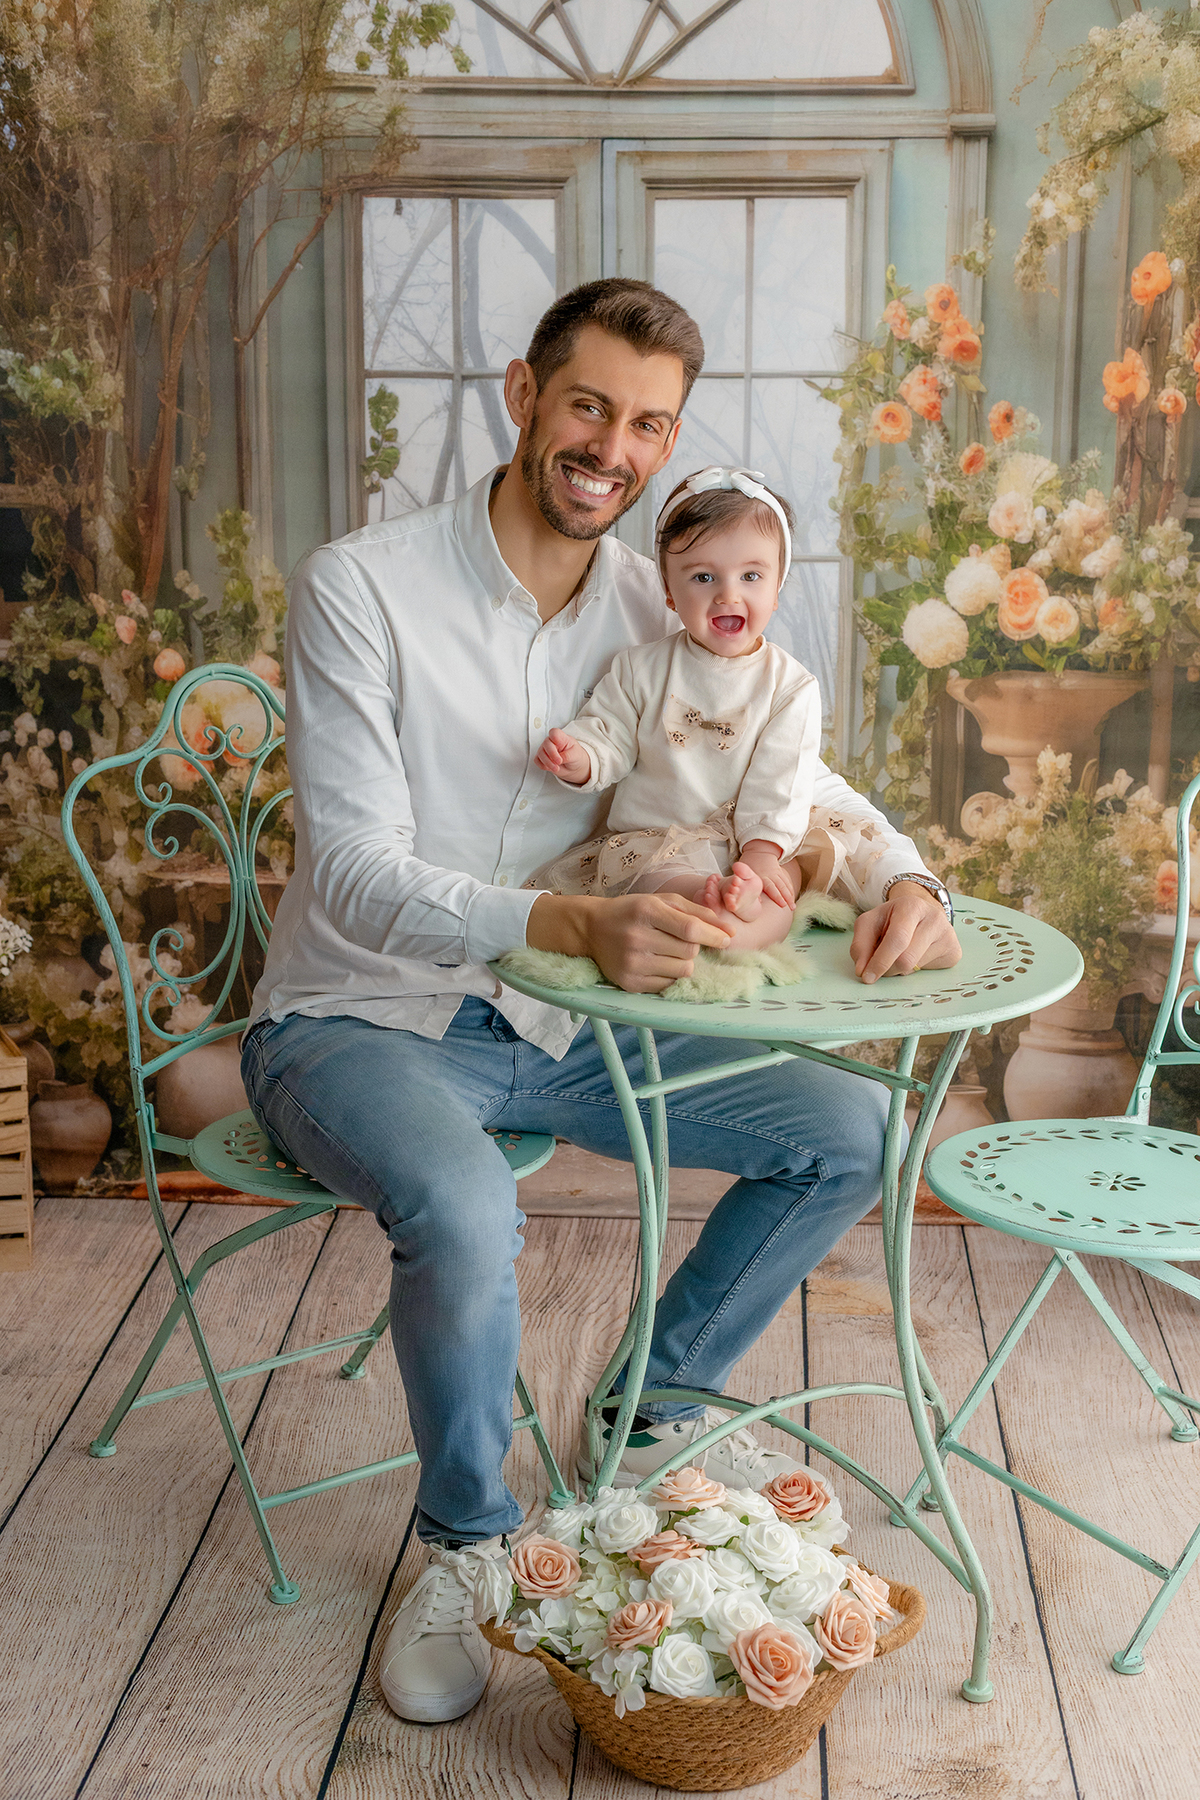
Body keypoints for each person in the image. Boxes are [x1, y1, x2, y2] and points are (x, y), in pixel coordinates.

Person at [240, 277, 960, 1727]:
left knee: (847, 1133)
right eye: (588, 407)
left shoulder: (662, 597)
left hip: (572, 1024)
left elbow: (795, 769)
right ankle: (465, 1544)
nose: (612, 449)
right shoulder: (359, 584)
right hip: (360, 1019)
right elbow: (363, 871)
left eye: (650, 425)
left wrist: (905, 871)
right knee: (463, 1210)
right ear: (523, 395)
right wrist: (562, 916)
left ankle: (648, 1409)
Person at [532, 464, 826, 948]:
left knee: (779, 895)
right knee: (655, 881)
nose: (728, 594)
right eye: (703, 576)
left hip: (740, 845)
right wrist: (581, 758)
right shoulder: (640, 668)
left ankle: (738, 919)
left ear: (777, 590)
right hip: (654, 842)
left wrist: (760, 853)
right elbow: (610, 733)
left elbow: (782, 779)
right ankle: (700, 902)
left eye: (751, 575)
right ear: (669, 592)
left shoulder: (789, 686)